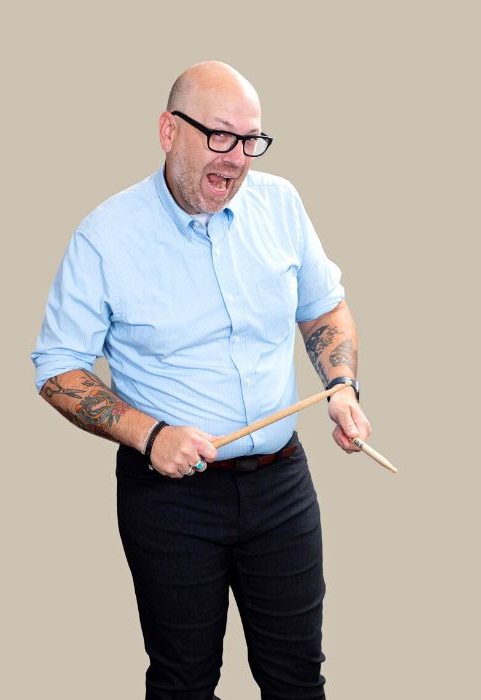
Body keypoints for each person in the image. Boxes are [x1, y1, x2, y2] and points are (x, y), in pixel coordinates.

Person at [31, 60, 371, 700]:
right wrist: (148, 433)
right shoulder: (105, 236)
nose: (238, 158)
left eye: (251, 140)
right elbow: (57, 368)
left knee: (298, 677)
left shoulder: (282, 203)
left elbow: (324, 307)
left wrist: (342, 385)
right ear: (167, 130)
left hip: (282, 484)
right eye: (219, 135)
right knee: (183, 682)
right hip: (170, 497)